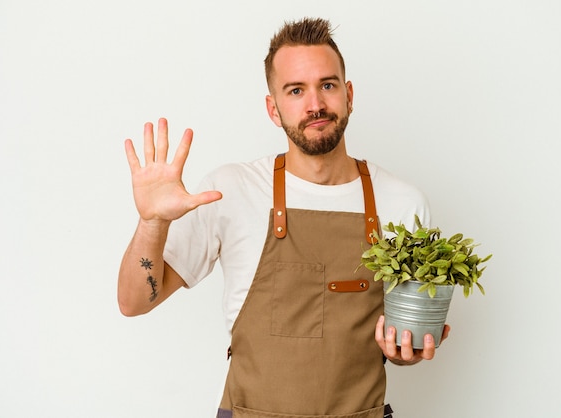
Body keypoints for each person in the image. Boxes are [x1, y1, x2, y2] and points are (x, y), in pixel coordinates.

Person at [118, 17, 450, 418]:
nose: (315, 105)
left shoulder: (402, 202)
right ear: (273, 108)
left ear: (348, 94)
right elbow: (134, 301)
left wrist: (407, 352)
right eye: (296, 90)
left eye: (327, 85)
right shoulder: (231, 190)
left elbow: (404, 337)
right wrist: (152, 222)